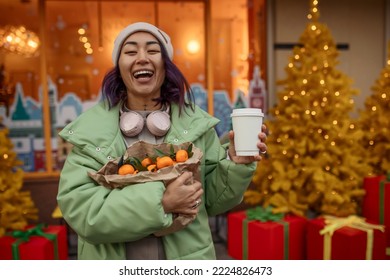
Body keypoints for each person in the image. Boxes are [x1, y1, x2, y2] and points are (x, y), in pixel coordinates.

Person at [57, 22, 267, 260]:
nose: (142, 58)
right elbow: (82, 213)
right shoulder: (90, 133)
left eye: (153, 50)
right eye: (131, 51)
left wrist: (234, 163)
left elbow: (212, 201)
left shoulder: (196, 126)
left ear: (166, 66)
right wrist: (161, 202)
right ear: (119, 68)